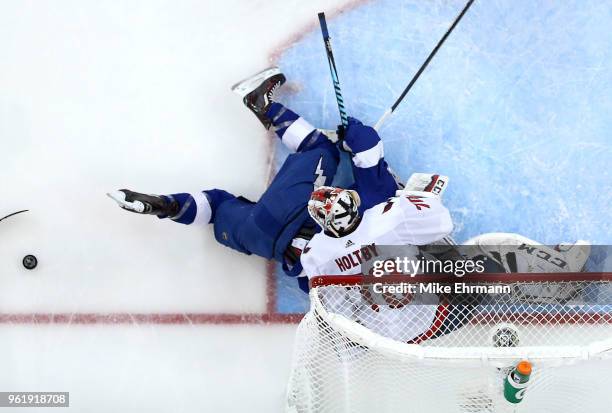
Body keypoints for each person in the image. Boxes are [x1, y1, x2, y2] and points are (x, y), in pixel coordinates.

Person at [108, 67, 404, 292]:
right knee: (217, 206)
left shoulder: (383, 204)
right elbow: (310, 287)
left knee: (321, 148)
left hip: (291, 210)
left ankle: (261, 103)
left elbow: (367, 149)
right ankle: (167, 206)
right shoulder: (343, 281)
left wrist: (353, 138)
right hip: (263, 240)